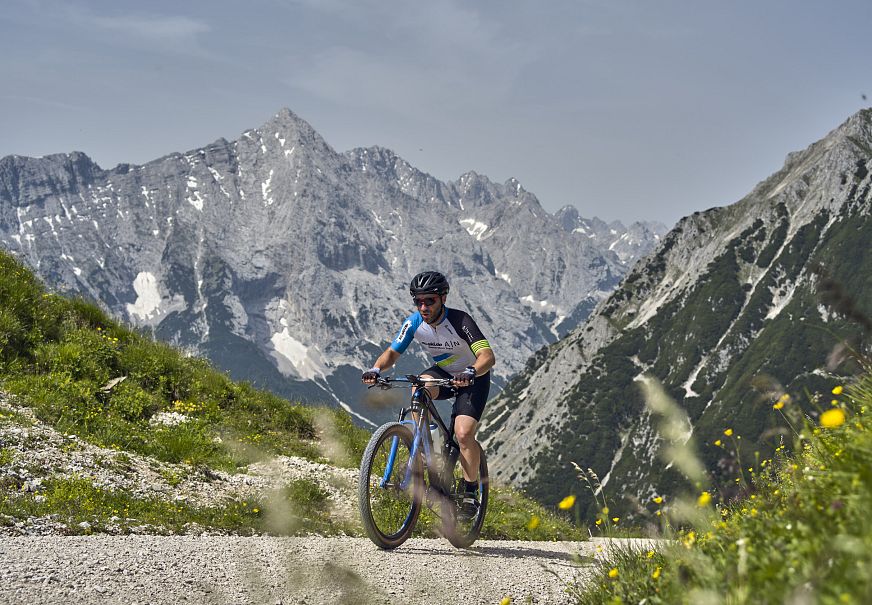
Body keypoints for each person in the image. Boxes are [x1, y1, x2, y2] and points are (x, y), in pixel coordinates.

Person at [362, 270, 496, 517]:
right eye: (418, 301)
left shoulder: (460, 321)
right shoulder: (413, 323)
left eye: (429, 301)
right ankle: (426, 450)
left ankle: (469, 492)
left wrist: (471, 372)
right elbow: (392, 353)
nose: (423, 306)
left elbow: (487, 357)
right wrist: (375, 368)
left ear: (442, 298)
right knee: (419, 386)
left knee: (463, 434)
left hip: (472, 377)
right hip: (444, 373)